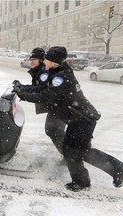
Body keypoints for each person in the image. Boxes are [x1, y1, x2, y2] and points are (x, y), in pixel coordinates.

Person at [13, 46, 123, 191]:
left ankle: (113, 171)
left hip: (83, 119)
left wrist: (22, 95)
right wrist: (22, 89)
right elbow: (41, 88)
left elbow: (45, 96)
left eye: (46, 59)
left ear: (53, 61)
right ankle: (87, 179)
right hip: (77, 118)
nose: (44, 61)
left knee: (76, 151)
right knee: (73, 150)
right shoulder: (57, 72)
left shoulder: (61, 77)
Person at [13, 47, 66, 155]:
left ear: (41, 60)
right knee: (53, 131)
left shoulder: (44, 73)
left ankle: (70, 154)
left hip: (60, 106)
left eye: (34, 59)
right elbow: (37, 88)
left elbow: (42, 92)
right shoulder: (41, 70)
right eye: (31, 59)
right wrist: (22, 87)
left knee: (54, 131)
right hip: (56, 106)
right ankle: (69, 153)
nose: (31, 61)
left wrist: (23, 93)